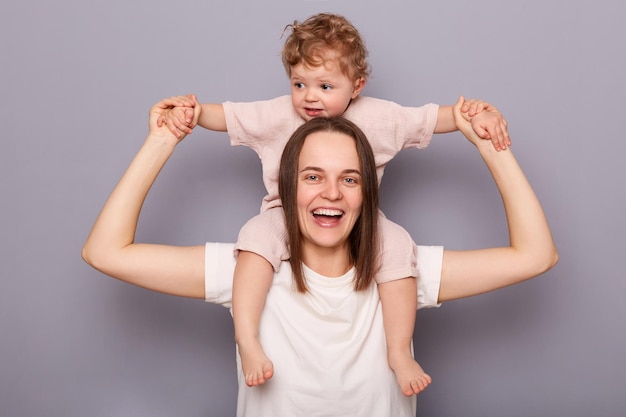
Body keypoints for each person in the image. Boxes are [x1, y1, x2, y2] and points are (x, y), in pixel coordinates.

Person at [82, 97, 557, 416]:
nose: (331, 193)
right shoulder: (250, 266)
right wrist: (163, 139)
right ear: (286, 188)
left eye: (349, 179)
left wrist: (491, 148)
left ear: (367, 193)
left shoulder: (402, 269)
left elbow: (535, 255)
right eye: (312, 176)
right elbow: (105, 251)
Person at [158, 12, 511, 395]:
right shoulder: (277, 114)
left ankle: (397, 351)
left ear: (356, 86)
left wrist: (473, 115)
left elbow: (432, 119)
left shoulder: (379, 118)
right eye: (299, 83)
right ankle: (247, 338)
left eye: (326, 85)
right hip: (285, 213)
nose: (310, 96)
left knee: (396, 245)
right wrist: (190, 113)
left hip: (356, 220)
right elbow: (227, 115)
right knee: (253, 240)